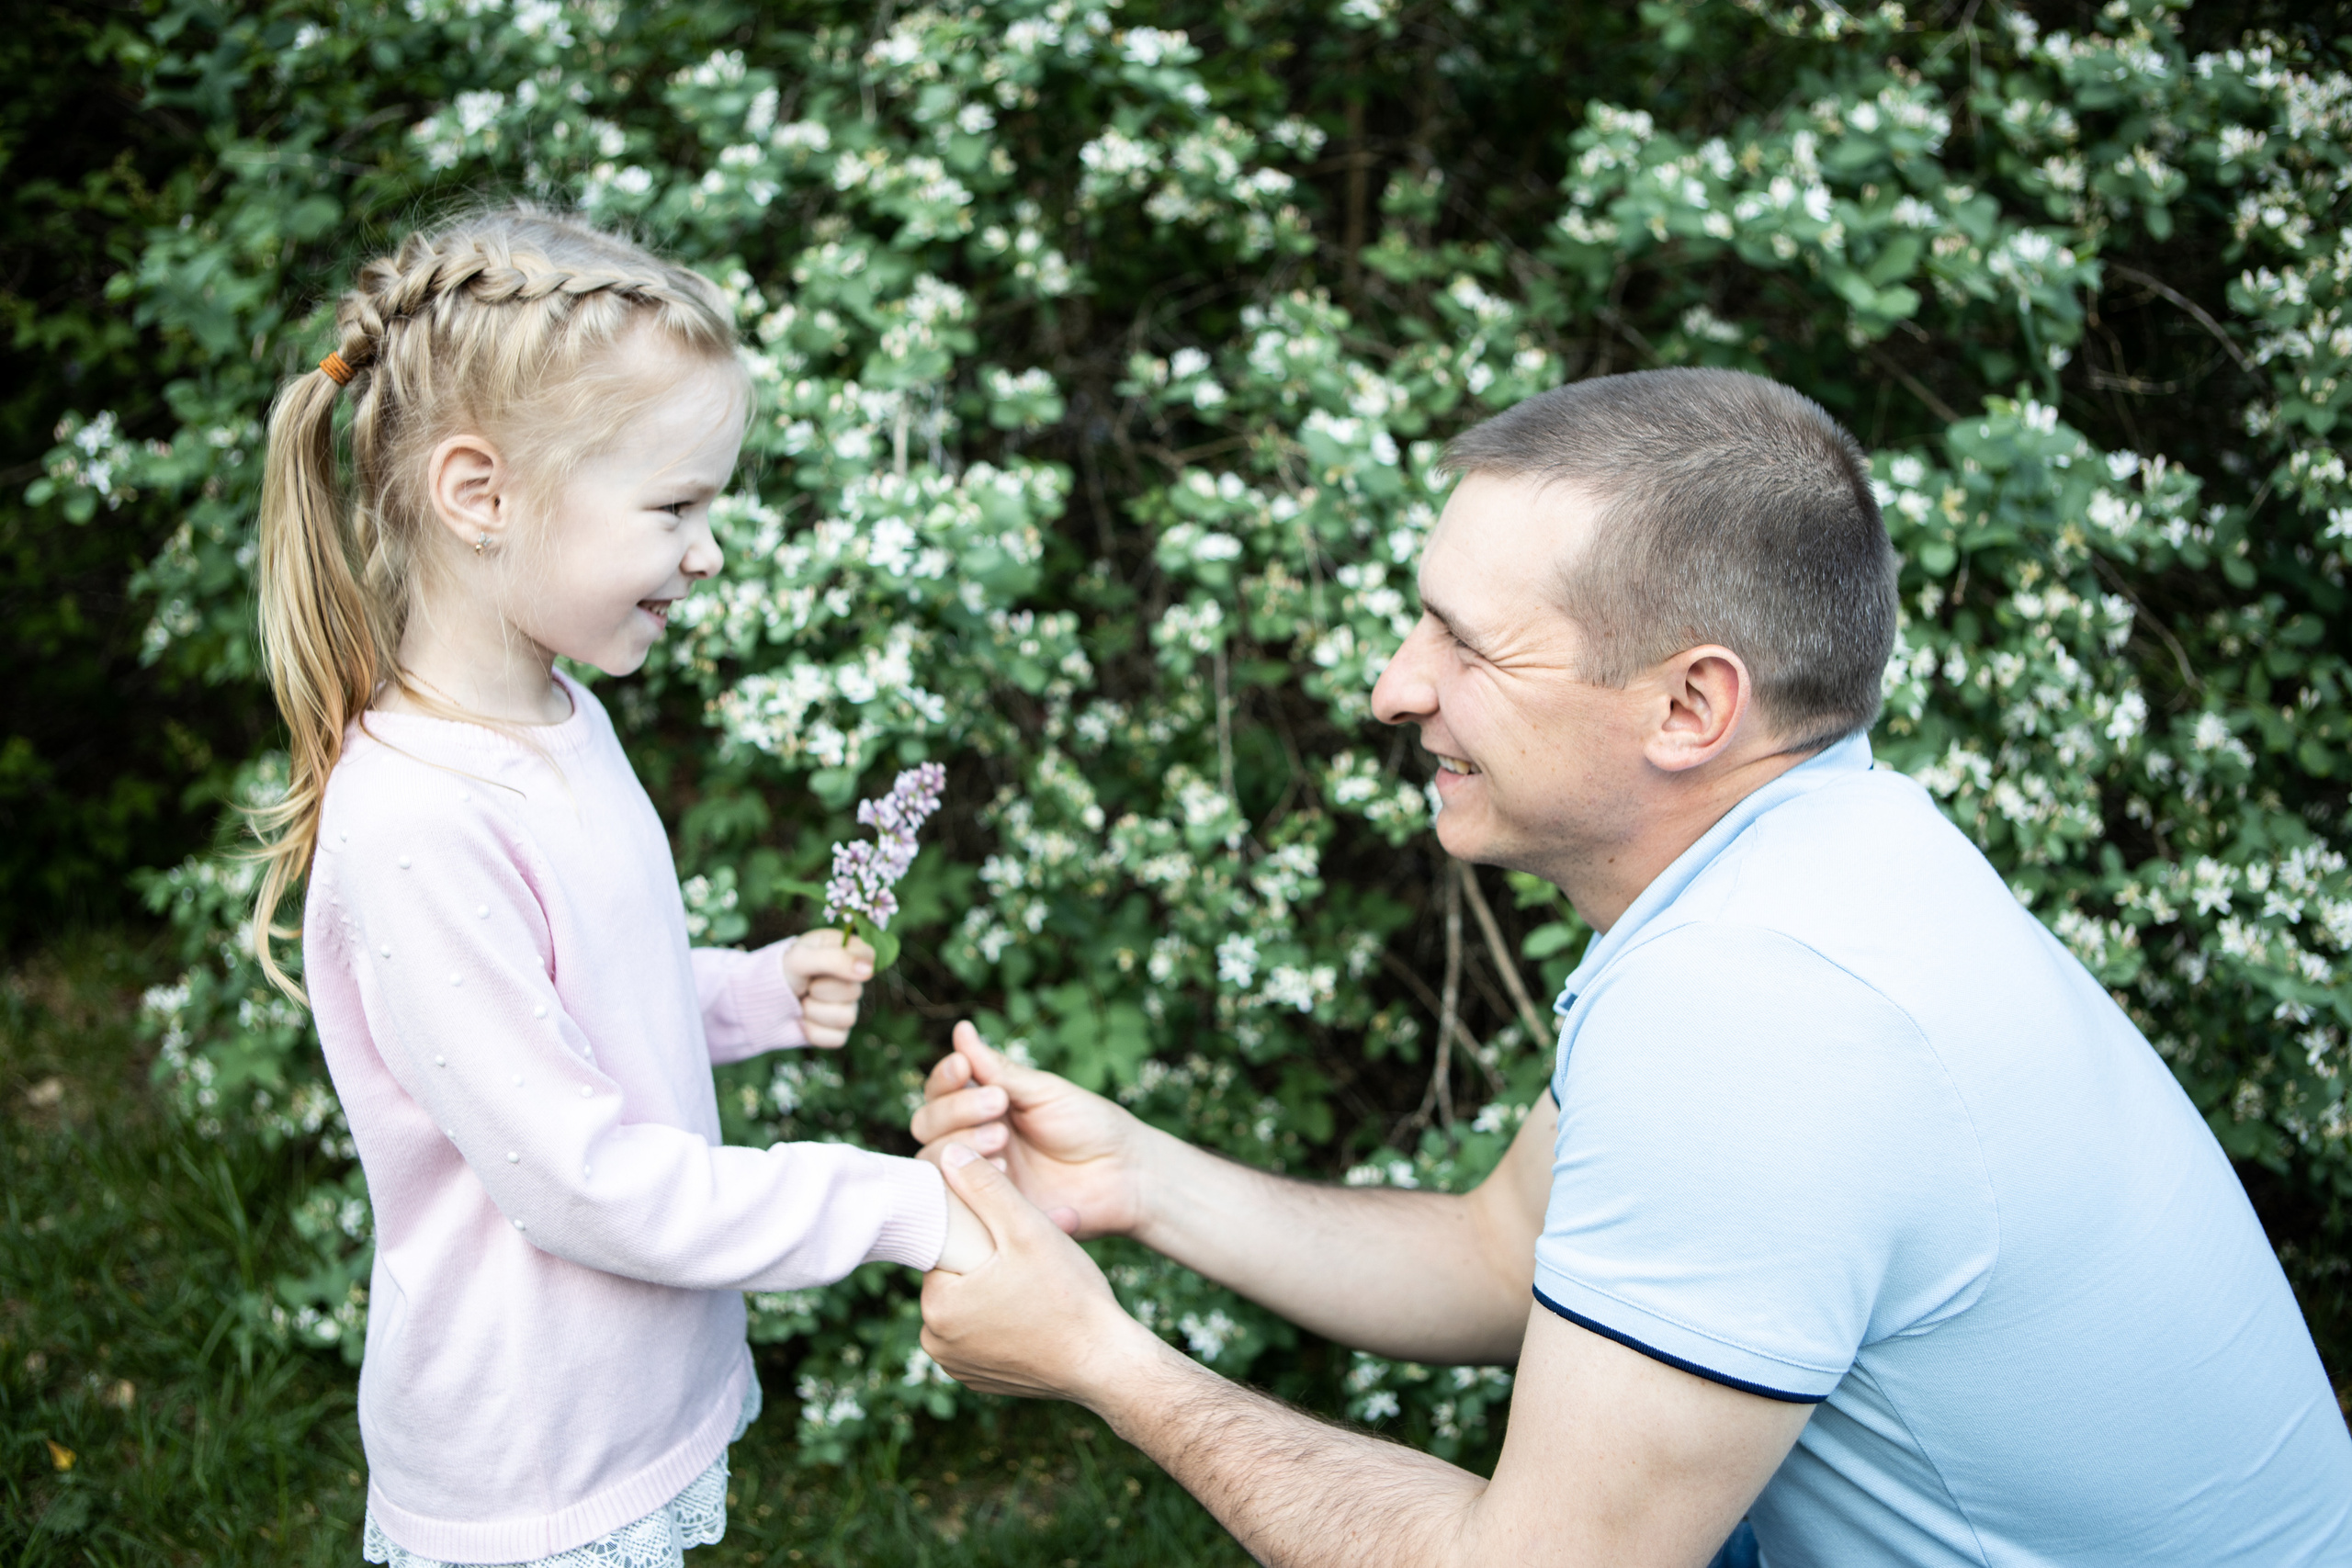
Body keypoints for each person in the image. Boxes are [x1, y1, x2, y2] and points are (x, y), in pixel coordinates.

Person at [910, 368, 2352, 1566]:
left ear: (1690, 706)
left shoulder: (1755, 1015)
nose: (1396, 688)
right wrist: (1139, 1183)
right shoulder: (1826, 853)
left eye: (1468, 646)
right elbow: (1500, 1255)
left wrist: (1104, 1362)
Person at [250, 207, 986, 1568]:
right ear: (481, 495)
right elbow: (582, 1182)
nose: (708, 552)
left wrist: (752, 994)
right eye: (673, 508)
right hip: (529, 1461)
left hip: (625, 1392)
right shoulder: (415, 821)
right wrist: (898, 1206)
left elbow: (579, 999)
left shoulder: (563, 717)